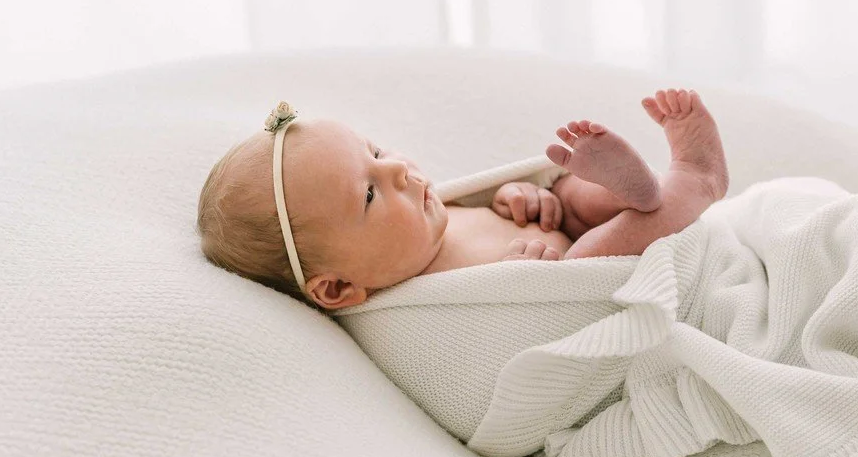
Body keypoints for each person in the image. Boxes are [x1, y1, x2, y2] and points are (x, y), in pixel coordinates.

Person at [197, 88, 729, 310]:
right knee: (590, 255)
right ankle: (694, 180)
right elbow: (503, 341)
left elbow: (511, 206)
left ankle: (622, 189)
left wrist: (523, 199)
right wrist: (524, 280)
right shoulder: (421, 303)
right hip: (578, 279)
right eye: (368, 193)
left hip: (567, 225)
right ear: (336, 286)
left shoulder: (434, 216)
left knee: (569, 193)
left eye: (376, 152)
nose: (399, 171)